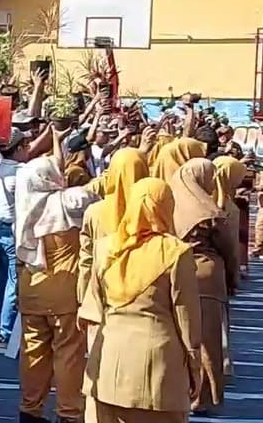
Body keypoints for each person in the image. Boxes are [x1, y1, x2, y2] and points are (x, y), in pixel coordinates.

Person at [82, 177, 201, 423]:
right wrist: (194, 366)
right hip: (159, 366)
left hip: (108, 361)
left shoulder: (105, 248)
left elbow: (92, 305)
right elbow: (186, 318)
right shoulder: (176, 253)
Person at [14, 155, 95, 423]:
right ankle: (68, 412)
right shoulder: (68, 203)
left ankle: (30, 409)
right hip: (64, 288)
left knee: (33, 351)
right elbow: (95, 196)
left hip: (31, 285)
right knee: (68, 353)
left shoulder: (24, 205)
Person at [169, 159, 237, 414]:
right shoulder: (210, 211)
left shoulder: (168, 203)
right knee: (208, 341)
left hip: (175, 273)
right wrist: (232, 278)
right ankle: (207, 395)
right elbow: (228, 248)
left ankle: (183, 391)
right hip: (207, 275)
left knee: (181, 336)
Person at [77, 148, 148, 350]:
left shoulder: (94, 211)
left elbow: (86, 259)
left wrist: (83, 300)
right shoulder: (153, 209)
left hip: (102, 290)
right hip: (140, 291)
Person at [0, 128, 34, 345]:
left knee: (0, 275)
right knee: (14, 280)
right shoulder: (22, 172)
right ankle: (5, 331)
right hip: (14, 228)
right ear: (19, 148)